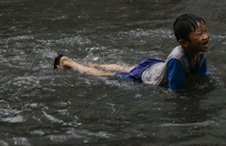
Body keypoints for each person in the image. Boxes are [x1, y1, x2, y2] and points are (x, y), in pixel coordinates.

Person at [53, 13, 211, 92]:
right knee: (104, 75)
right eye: (199, 34)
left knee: (123, 67)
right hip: (145, 76)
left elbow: (202, 77)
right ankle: (68, 62)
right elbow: (176, 91)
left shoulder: (200, 52)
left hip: (154, 67)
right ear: (183, 42)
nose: (206, 36)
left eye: (205, 31)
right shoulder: (177, 59)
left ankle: (90, 62)